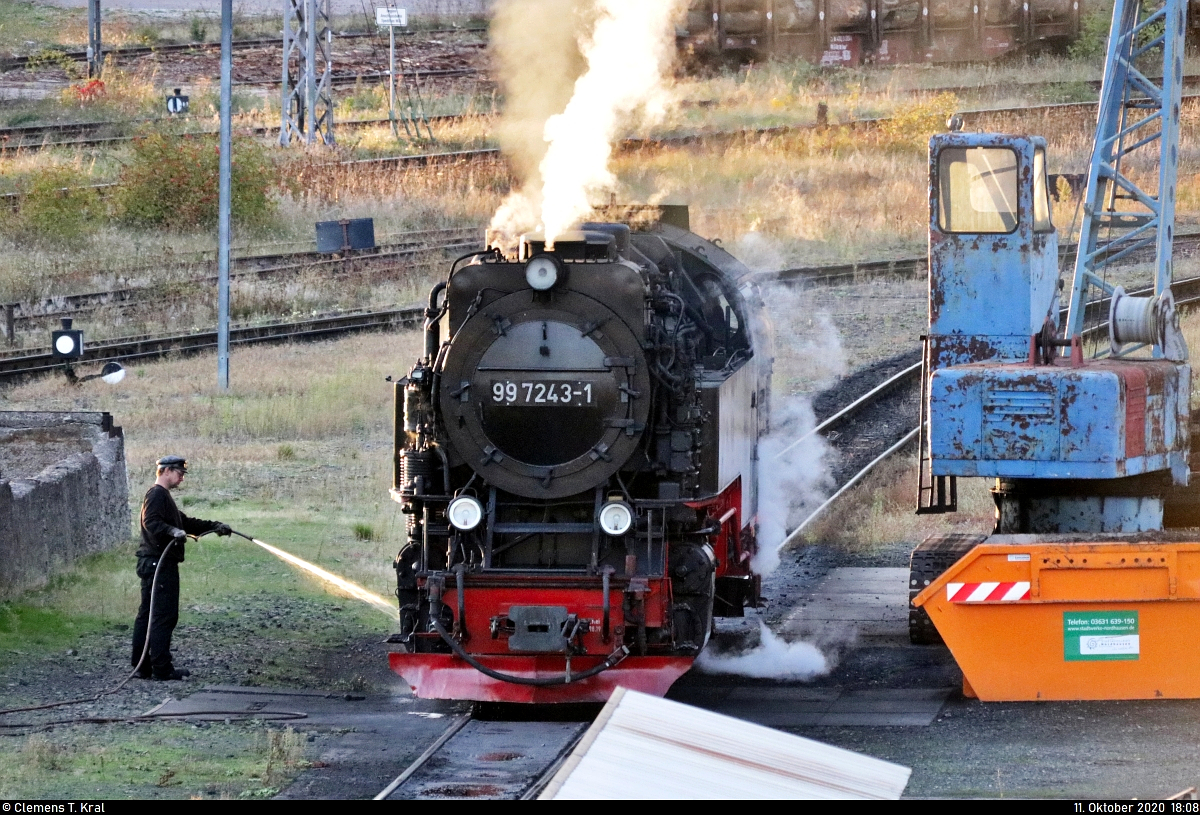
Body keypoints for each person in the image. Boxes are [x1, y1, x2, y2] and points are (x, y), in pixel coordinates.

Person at [131, 455, 232, 680]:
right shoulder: (157, 494)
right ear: (165, 471)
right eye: (179, 473)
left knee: (148, 614)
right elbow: (152, 522)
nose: (181, 479)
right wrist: (172, 532)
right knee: (163, 616)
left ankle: (142, 667)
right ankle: (161, 668)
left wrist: (215, 526)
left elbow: (185, 523)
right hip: (159, 564)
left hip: (153, 563)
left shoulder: (163, 497)